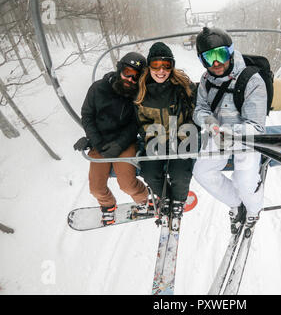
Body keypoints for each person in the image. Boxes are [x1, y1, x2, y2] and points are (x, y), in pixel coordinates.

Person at [192, 27, 267, 234]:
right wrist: (208, 121)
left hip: (246, 138)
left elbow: (257, 126)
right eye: (209, 58)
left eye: (221, 54)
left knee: (244, 181)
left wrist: (230, 133)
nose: (216, 63)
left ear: (231, 52)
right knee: (202, 172)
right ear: (202, 60)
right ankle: (236, 203)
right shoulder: (206, 80)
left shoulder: (251, 79)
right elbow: (200, 108)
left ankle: (253, 209)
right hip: (217, 134)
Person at [73, 52, 149, 225]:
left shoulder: (137, 95)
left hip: (124, 142)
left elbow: (135, 123)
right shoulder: (98, 88)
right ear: (119, 69)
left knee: (127, 184)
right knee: (96, 187)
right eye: (127, 72)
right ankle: (108, 205)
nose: (130, 79)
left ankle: (143, 198)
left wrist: (119, 144)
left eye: (136, 76)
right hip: (100, 142)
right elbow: (87, 116)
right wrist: (96, 142)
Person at [135, 42, 196, 218]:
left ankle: (179, 201)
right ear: (149, 65)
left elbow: (196, 112)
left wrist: (185, 135)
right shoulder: (141, 90)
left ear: (172, 66)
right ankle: (166, 197)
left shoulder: (183, 86)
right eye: (156, 65)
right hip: (156, 138)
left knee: (180, 173)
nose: (161, 71)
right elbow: (139, 120)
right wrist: (150, 136)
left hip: (181, 138)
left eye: (166, 65)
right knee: (149, 172)